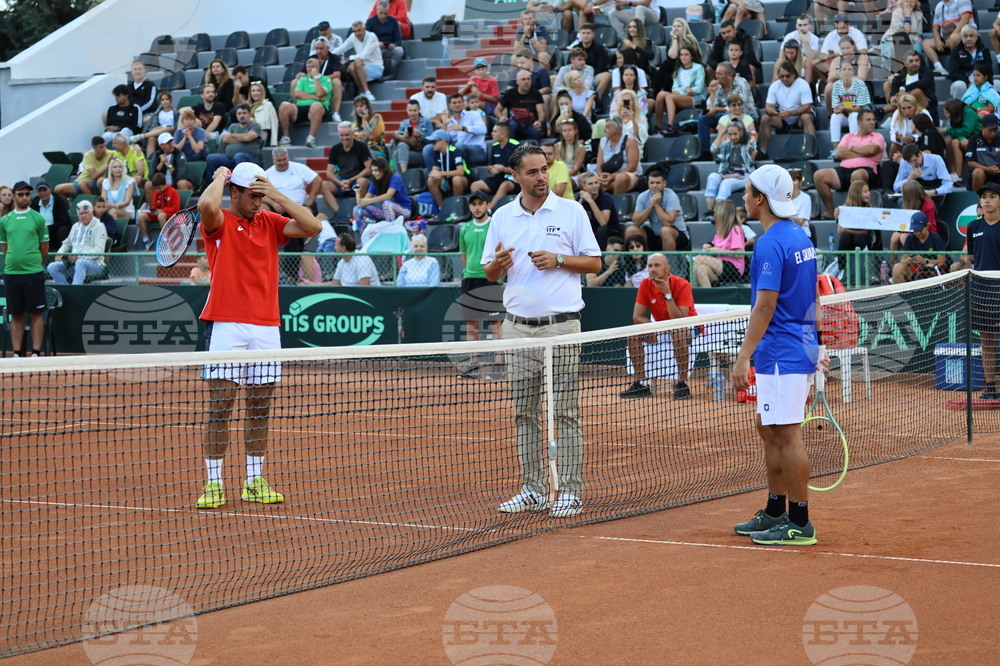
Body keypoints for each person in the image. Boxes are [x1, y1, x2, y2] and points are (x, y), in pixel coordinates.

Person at [483, 143, 601, 519]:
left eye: (544, 169)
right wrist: (497, 265)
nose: (540, 177)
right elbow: (487, 272)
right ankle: (533, 489)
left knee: (565, 412)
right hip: (516, 328)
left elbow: (595, 262)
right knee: (524, 412)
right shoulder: (502, 217)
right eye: (532, 172)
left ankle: (568, 491)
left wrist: (559, 260)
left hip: (562, 327)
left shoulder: (571, 211)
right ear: (515, 176)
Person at [194, 161, 321, 510]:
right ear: (234, 192)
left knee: (260, 407)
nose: (258, 203)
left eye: (261, 196)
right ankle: (214, 483)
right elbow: (206, 206)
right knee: (221, 407)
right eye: (253, 196)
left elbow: (313, 226)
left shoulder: (269, 220)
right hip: (225, 324)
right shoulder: (218, 221)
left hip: (266, 326)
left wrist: (276, 194)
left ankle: (253, 480)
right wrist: (221, 176)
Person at [732, 164, 823, 546]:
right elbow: (813, 296)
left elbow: (765, 306)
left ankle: (799, 522)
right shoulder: (799, 235)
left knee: (786, 434)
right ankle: (775, 510)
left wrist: (742, 357)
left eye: (748, 191)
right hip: (791, 347)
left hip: (781, 351)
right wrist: (817, 344)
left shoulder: (770, 242)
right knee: (768, 429)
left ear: (761, 199)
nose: (744, 197)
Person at [619, 252, 697, 399]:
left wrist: (667, 293)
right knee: (633, 334)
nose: (653, 269)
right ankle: (641, 384)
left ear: (667, 268)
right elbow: (637, 317)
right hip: (660, 328)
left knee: (678, 332)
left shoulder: (682, 285)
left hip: (687, 328)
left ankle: (681, 383)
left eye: (657, 265)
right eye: (650, 266)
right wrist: (654, 328)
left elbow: (680, 320)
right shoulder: (645, 284)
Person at [0, 182, 49, 357]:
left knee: (36, 314)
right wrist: (16, 261)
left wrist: (35, 264)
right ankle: (17, 354)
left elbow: (44, 247)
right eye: (20, 194)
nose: (24, 197)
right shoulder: (4, 221)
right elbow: (5, 247)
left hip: (33, 274)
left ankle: (35, 353)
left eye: (27, 194)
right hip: (12, 274)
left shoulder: (38, 218)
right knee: (16, 315)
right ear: (13, 196)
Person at [458, 192, 503, 378]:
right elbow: (464, 256)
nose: (477, 207)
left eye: (480, 204)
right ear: (470, 207)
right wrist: (471, 271)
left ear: (487, 204)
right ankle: (473, 365)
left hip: (490, 279)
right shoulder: (464, 229)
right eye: (473, 204)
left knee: (495, 324)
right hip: (470, 279)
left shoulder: (495, 225)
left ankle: (499, 366)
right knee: (471, 325)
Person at [815, 110, 885, 219]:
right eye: (868, 120)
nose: (872, 122)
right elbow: (839, 153)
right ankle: (830, 212)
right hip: (844, 170)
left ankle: (853, 212)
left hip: (867, 171)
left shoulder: (878, 136)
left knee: (857, 174)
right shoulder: (848, 136)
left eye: (873, 120)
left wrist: (851, 149)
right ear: (859, 123)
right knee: (819, 175)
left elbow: (872, 150)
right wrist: (863, 153)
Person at [967, 182, 1000, 400]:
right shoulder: (973, 227)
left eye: (993, 196)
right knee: (986, 341)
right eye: (984, 197)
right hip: (980, 290)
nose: (987, 200)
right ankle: (990, 388)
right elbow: (971, 257)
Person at [696, 63, 757, 156]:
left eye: (719, 74)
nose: (716, 76)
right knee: (703, 118)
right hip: (724, 116)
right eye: (716, 73)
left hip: (746, 116)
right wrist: (713, 93)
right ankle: (705, 152)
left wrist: (716, 110)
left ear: (729, 76)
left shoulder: (741, 82)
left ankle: (728, 151)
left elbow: (738, 106)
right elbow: (711, 107)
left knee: (728, 115)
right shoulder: (719, 86)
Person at [759, 62, 815, 157]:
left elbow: (807, 107)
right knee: (765, 118)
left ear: (794, 74)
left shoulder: (803, 84)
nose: (784, 79)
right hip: (782, 117)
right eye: (781, 76)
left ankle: (810, 149)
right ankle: (763, 151)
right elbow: (768, 107)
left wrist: (790, 113)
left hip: (799, 117)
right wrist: (775, 113)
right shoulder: (775, 86)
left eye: (787, 76)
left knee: (806, 117)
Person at [46, 200, 108, 285]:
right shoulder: (75, 226)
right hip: (74, 264)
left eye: (85, 213)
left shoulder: (99, 226)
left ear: (92, 213)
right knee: (52, 267)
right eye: (80, 214)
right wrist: (60, 253)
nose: (83, 216)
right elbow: (66, 244)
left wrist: (79, 257)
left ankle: (75, 290)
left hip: (95, 265)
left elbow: (99, 250)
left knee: (80, 262)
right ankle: (67, 291)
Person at [278, 58, 333, 148]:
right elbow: (297, 94)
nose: (310, 69)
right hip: (301, 108)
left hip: (319, 110)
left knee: (316, 105)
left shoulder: (326, 79)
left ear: (318, 68)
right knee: (284, 105)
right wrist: (316, 97)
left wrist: (316, 78)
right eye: (308, 67)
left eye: (313, 67)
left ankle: (311, 137)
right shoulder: (303, 80)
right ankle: (286, 137)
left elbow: (320, 93)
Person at [705, 123, 757, 216]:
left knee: (726, 183)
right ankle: (710, 211)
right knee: (712, 177)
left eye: (735, 134)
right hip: (726, 173)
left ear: (741, 133)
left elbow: (753, 150)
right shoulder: (726, 145)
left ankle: (719, 214)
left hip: (744, 175)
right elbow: (713, 149)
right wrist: (721, 134)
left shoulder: (747, 144)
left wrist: (751, 136)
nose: (733, 137)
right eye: (730, 134)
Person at [629, 169, 687, 252]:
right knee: (631, 230)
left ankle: (669, 263)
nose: (654, 185)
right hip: (656, 235)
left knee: (665, 230)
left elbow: (668, 223)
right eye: (652, 183)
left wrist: (657, 205)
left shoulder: (671, 196)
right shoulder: (643, 196)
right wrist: (650, 206)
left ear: (664, 183)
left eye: (658, 183)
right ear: (648, 184)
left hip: (677, 235)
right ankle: (639, 264)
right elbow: (636, 222)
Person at [693, 200, 746, 288]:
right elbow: (715, 245)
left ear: (723, 213)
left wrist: (718, 250)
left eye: (716, 212)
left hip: (733, 268)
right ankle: (708, 299)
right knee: (701, 269)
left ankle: (691, 292)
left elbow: (739, 254)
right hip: (720, 266)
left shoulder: (735, 229)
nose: (714, 215)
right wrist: (709, 246)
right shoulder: (720, 230)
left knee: (698, 259)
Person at [323, 122, 373, 215]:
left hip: (356, 179)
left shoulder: (361, 147)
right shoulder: (335, 149)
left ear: (352, 134)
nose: (344, 138)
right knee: (323, 185)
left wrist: (350, 180)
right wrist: (340, 183)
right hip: (341, 181)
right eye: (342, 135)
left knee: (362, 182)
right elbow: (329, 173)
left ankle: (356, 212)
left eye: (347, 135)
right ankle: (340, 214)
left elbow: (369, 169)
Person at [205, 104, 262, 185]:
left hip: (250, 158)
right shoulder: (232, 126)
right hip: (230, 158)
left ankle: (241, 185)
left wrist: (233, 135)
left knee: (238, 156)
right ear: (236, 115)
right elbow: (225, 138)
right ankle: (212, 186)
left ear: (249, 114)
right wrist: (243, 138)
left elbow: (248, 138)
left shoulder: (255, 126)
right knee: (211, 158)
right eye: (239, 113)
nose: (242, 115)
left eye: (244, 113)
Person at [470, 123, 521, 212]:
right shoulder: (494, 146)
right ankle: (484, 206)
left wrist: (503, 169)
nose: (492, 134)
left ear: (503, 134)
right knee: (475, 185)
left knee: (504, 185)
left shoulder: (515, 145)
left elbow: (520, 169)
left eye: (495, 131)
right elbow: (490, 165)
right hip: (498, 178)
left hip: (513, 179)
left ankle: (489, 209)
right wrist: (492, 169)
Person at [659, 47, 706, 136]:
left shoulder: (698, 68)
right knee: (661, 95)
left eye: (686, 55)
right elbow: (674, 88)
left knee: (669, 97)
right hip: (683, 96)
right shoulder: (679, 69)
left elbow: (698, 88)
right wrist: (684, 91)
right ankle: (658, 125)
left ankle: (670, 125)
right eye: (681, 55)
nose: (683, 57)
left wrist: (682, 91)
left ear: (692, 56)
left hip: (695, 98)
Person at [922, 0, 976, 76]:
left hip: (966, 34)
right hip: (946, 38)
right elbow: (935, 27)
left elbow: (965, 20)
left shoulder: (963, 0)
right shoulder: (939, 6)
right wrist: (937, 40)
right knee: (925, 43)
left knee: (954, 37)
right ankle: (939, 67)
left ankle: (957, 67)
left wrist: (952, 36)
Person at [351, 157, 412, 225]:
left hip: (404, 210)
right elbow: (366, 198)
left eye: (376, 170)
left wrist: (369, 201)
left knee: (387, 204)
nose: (373, 173)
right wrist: (361, 202)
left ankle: (391, 231)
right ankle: (363, 234)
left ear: (384, 169)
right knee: (356, 209)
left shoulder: (395, 178)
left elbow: (388, 196)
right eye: (372, 171)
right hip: (385, 211)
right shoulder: (375, 181)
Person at [332, 21, 383, 102]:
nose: (357, 33)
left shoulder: (371, 36)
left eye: (359, 30)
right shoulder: (353, 36)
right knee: (351, 67)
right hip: (362, 67)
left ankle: (367, 91)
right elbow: (342, 48)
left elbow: (364, 55)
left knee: (357, 62)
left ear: (364, 29)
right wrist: (328, 54)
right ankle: (362, 93)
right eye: (355, 31)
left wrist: (349, 58)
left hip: (376, 67)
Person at [433, 92, 487, 167]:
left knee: (458, 146)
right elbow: (443, 140)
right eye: (454, 103)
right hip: (457, 152)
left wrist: (463, 128)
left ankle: (460, 172)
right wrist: (444, 125)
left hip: (477, 151)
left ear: (463, 103)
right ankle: (435, 173)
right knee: (429, 148)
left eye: (459, 102)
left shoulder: (473, 114)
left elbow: (483, 130)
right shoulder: (449, 120)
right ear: (449, 105)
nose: (457, 105)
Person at [891, 211, 947, 283]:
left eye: (920, 230)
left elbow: (942, 260)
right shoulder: (910, 238)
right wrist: (909, 260)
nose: (918, 233)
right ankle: (901, 292)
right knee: (897, 267)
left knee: (929, 266)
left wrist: (925, 260)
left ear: (927, 226)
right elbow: (903, 259)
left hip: (931, 268)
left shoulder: (936, 238)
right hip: (914, 267)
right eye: (915, 230)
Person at [828, 61, 872, 147]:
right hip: (844, 114)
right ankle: (836, 149)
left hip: (861, 115)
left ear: (853, 72)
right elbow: (835, 107)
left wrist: (844, 107)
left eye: (849, 69)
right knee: (834, 117)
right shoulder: (836, 85)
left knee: (854, 115)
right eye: (844, 69)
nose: (846, 72)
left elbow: (859, 108)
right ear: (840, 72)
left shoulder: (860, 84)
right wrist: (839, 109)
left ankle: (854, 146)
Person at [496, 69, 546, 142]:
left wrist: (539, 121)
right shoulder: (510, 93)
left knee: (535, 131)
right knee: (512, 125)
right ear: (517, 81)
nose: (526, 81)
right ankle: (511, 149)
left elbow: (541, 113)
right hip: (514, 125)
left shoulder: (536, 94)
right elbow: (497, 110)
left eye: (528, 79)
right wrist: (501, 117)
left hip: (530, 125)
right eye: (523, 79)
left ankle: (533, 151)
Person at [595, 116, 641, 195]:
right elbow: (599, 164)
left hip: (628, 174)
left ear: (616, 129)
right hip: (607, 174)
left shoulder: (630, 141)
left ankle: (617, 205)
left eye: (607, 127)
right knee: (586, 179)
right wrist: (600, 176)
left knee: (620, 179)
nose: (604, 130)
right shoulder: (602, 141)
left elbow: (632, 167)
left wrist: (613, 176)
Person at [425, 130, 470, 207]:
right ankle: (441, 207)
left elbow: (460, 172)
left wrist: (441, 173)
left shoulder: (455, 151)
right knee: (431, 180)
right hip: (447, 184)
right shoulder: (436, 152)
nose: (432, 145)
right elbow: (435, 169)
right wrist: (434, 173)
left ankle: (456, 206)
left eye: (434, 142)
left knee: (457, 179)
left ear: (443, 141)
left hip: (463, 182)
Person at [143, 133, 192, 203]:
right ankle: (153, 210)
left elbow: (181, 176)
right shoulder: (157, 155)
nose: (171, 144)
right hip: (162, 184)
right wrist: (161, 164)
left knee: (182, 183)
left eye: (171, 141)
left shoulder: (179, 154)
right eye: (167, 143)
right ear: (161, 146)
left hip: (175, 184)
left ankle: (183, 210)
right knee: (148, 184)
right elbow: (151, 176)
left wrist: (167, 164)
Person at [948, 24, 993, 100]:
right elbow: (953, 72)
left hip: (981, 80)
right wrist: (968, 83)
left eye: (971, 36)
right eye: (965, 36)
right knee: (959, 85)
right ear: (961, 38)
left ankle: (994, 110)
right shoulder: (956, 51)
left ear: (976, 37)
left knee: (998, 84)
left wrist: (985, 84)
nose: (968, 38)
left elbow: (989, 70)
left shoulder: (984, 50)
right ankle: (959, 110)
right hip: (964, 81)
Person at [577, 171, 621, 250]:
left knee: (601, 230)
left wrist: (590, 201)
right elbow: (573, 220)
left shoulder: (606, 198)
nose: (594, 186)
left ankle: (601, 258)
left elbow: (603, 222)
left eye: (596, 183)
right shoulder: (581, 198)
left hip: (610, 233)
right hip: (591, 233)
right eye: (590, 184)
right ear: (584, 186)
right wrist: (580, 201)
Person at [137, 173, 180, 249]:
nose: (158, 190)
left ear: (165, 184)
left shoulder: (173, 192)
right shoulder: (156, 192)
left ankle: (166, 239)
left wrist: (162, 211)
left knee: (161, 216)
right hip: (158, 213)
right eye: (156, 188)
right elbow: (154, 206)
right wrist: (153, 210)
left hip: (169, 214)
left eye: (160, 188)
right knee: (141, 216)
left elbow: (176, 208)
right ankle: (146, 240)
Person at [391, 99, 434, 173]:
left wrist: (420, 135)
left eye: (415, 110)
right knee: (399, 148)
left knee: (396, 154)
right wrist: (404, 136)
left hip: (421, 152)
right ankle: (404, 175)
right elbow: (398, 139)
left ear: (419, 110)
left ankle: (401, 179)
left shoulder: (426, 122)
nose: (412, 113)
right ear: (406, 110)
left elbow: (432, 139)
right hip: (407, 150)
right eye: (410, 110)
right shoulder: (404, 123)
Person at [887, 93, 933, 160]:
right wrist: (898, 139)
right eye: (903, 108)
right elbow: (892, 133)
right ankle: (892, 167)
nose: (907, 111)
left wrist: (913, 139)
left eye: (909, 108)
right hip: (903, 145)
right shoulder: (897, 114)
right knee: (894, 146)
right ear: (900, 108)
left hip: (921, 145)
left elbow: (929, 133)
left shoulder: (924, 113)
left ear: (915, 106)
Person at [942, 98, 980, 180]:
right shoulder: (956, 115)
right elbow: (959, 131)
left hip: (978, 138)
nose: (945, 114)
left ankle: (958, 176)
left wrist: (948, 130)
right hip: (966, 136)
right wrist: (962, 137)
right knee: (948, 141)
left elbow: (966, 130)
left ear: (954, 111)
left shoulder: (969, 112)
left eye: (947, 112)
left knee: (955, 142)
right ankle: (952, 171)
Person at [365, 0, 404, 79]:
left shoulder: (393, 21)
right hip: (376, 49)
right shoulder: (370, 22)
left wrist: (394, 44)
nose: (383, 15)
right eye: (381, 13)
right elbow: (366, 40)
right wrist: (376, 44)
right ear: (376, 11)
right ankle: (378, 74)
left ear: (388, 11)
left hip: (389, 47)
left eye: (385, 13)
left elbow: (398, 39)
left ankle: (391, 72)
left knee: (399, 51)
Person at [134, 91, 178, 157]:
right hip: (159, 134)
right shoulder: (156, 114)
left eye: (167, 99)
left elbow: (176, 127)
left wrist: (164, 128)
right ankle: (150, 161)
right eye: (163, 100)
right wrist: (160, 128)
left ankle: (142, 136)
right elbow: (153, 127)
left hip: (171, 133)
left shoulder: (176, 113)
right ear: (160, 102)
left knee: (168, 128)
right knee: (151, 139)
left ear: (170, 100)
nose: (165, 101)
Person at [575, 23, 613, 97]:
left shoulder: (600, 49)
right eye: (583, 33)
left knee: (606, 76)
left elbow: (602, 68)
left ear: (593, 35)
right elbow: (570, 65)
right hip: (578, 76)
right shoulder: (575, 49)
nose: (586, 35)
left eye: (588, 33)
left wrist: (588, 74)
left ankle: (596, 99)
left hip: (594, 76)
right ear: (580, 35)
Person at [29, 180, 70, 247]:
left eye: (44, 190)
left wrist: (47, 229)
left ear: (50, 190)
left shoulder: (58, 201)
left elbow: (64, 221)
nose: (42, 193)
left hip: (55, 233)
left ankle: (63, 254)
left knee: (63, 230)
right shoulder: (35, 203)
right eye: (40, 191)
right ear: (37, 192)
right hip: (40, 234)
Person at [966, 113, 1000, 192]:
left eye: (995, 130)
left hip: (997, 172)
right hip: (981, 172)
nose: (993, 133)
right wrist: (988, 169)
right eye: (990, 130)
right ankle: (977, 199)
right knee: (978, 172)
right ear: (982, 128)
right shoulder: (974, 140)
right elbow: (970, 162)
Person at [352, 94, 388, 161]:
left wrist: (364, 119)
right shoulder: (354, 125)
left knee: (364, 154)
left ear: (367, 107)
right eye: (356, 106)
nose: (358, 108)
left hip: (376, 150)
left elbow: (371, 135)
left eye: (361, 106)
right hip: (359, 152)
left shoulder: (377, 118)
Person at [101, 157, 136, 223]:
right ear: (110, 169)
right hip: (110, 209)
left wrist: (114, 206)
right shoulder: (106, 182)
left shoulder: (129, 182)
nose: (118, 169)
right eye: (115, 167)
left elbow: (127, 202)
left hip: (126, 211)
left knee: (112, 211)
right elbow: (103, 201)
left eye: (120, 167)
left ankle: (114, 232)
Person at [248, 81, 279, 147]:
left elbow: (274, 123)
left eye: (258, 91)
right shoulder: (249, 106)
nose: (255, 93)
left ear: (262, 92)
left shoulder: (268, 105)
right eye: (253, 91)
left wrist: (274, 142)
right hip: (248, 132)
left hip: (262, 132)